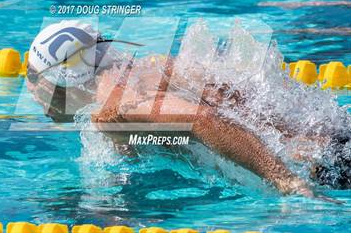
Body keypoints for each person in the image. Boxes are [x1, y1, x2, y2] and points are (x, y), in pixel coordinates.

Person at [26, 20, 349, 201]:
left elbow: (201, 117)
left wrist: (284, 180)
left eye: (33, 77)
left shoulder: (118, 107)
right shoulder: (151, 66)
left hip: (322, 169)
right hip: (326, 142)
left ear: (62, 77)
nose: (30, 90)